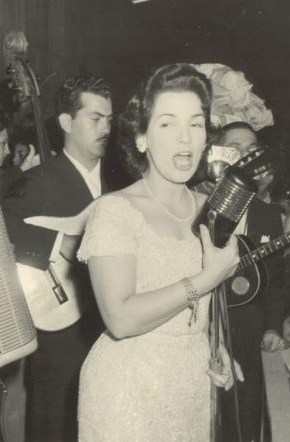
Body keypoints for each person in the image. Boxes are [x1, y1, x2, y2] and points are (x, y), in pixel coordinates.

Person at [76, 63, 241, 440]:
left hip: (191, 388)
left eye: (195, 124)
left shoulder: (210, 208)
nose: (185, 139)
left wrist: (217, 347)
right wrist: (206, 279)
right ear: (141, 139)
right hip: (127, 392)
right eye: (167, 124)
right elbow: (120, 319)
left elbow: (201, 313)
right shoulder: (115, 210)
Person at [2, 74, 112, 441]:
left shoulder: (121, 182)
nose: (105, 128)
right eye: (95, 118)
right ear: (66, 122)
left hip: (107, 335)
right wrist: (57, 242)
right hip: (59, 337)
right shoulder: (40, 180)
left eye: (109, 119)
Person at [214, 121, 287, 441]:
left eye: (253, 150)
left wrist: (272, 326)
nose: (246, 156)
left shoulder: (268, 215)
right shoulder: (200, 203)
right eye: (236, 148)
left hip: (247, 331)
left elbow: (276, 281)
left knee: (240, 419)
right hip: (202, 326)